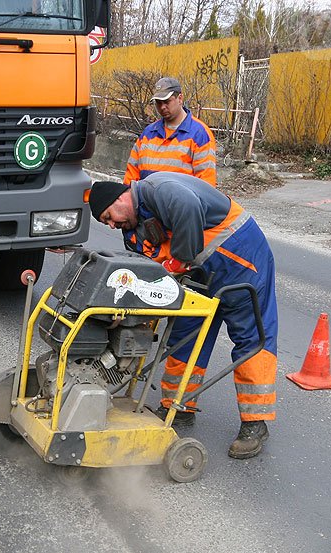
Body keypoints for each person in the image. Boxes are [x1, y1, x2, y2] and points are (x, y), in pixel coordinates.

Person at [86, 174, 278, 459]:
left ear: (121, 198)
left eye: (108, 217)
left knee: (249, 340)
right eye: (107, 224)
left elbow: (187, 206)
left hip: (240, 260)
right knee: (184, 335)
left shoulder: (158, 190)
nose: (112, 225)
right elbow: (147, 274)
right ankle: (179, 407)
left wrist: (180, 260)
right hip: (197, 275)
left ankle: (255, 424)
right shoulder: (134, 230)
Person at [123, 77, 218, 187]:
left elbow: (206, 186)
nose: (162, 107)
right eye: (158, 102)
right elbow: (130, 178)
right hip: (146, 203)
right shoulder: (148, 133)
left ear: (180, 98)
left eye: (167, 101)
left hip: (181, 204)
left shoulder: (200, 134)